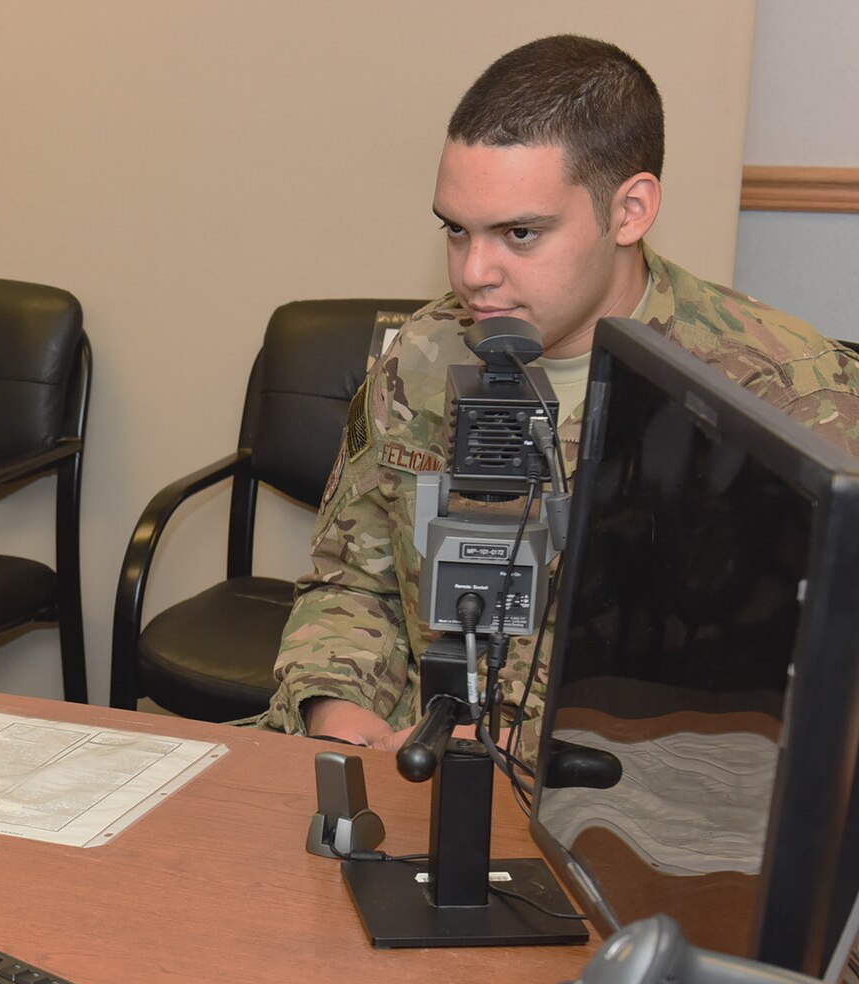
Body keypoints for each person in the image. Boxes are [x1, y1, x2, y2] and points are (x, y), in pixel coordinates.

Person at [268, 34, 859, 751]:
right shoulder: (426, 356)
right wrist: (340, 717)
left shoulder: (779, 394)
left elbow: (818, 695)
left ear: (630, 210)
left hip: (645, 828)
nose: (473, 272)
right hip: (422, 785)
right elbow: (351, 585)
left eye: (520, 233)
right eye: (456, 230)